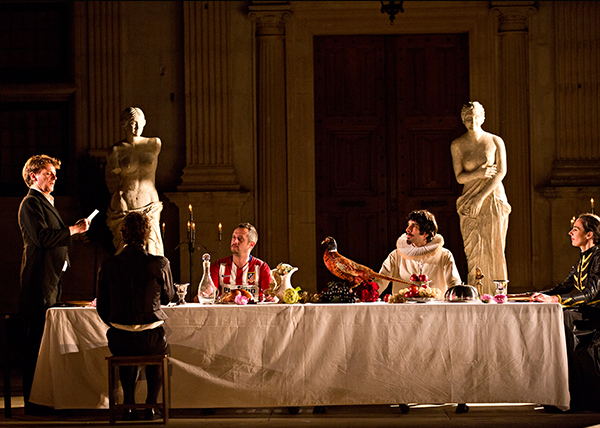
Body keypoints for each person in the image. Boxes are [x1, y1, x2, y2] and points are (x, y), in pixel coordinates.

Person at [18, 154, 90, 414]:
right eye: (48, 173)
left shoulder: (46, 202)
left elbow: (55, 238)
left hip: (50, 281)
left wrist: (76, 232)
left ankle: (43, 399)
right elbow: (42, 237)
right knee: (35, 344)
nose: (54, 177)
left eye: (54, 173)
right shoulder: (30, 203)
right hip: (38, 282)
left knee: (44, 344)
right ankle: (32, 403)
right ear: (33, 176)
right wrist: (72, 230)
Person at [96, 212, 175, 421]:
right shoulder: (160, 263)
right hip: (151, 338)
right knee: (156, 351)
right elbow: (168, 297)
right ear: (147, 235)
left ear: (122, 235)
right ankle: (150, 405)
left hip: (120, 339)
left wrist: (121, 322)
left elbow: (102, 306)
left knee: (125, 347)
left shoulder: (109, 265)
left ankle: (128, 405)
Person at [530, 213, 600, 412]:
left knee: (563, 318)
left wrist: (556, 300)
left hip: (596, 316)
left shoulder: (599, 258)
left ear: (589, 234)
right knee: (556, 318)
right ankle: (561, 394)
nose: (570, 232)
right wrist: (532, 295)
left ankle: (577, 397)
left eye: (576, 229)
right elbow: (561, 287)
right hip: (587, 313)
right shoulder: (582, 260)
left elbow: (590, 293)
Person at [451, 101, 511, 293]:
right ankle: (478, 292)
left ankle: (498, 293)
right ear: (463, 120)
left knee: (495, 247)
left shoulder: (495, 141)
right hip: (469, 200)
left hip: (492, 198)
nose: (473, 121)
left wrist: (481, 198)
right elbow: (460, 177)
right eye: (468, 117)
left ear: (483, 117)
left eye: (476, 116)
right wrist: (479, 174)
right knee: (474, 250)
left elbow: (501, 172)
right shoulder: (458, 145)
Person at [105, 107, 164, 256]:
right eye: (132, 123)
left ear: (144, 123)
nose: (137, 127)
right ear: (124, 124)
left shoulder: (154, 144)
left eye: (139, 123)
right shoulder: (116, 150)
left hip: (149, 203)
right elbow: (111, 180)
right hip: (125, 203)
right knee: (124, 250)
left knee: (152, 249)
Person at [374, 209, 462, 296]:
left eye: (414, 226)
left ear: (426, 233)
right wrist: (369, 294)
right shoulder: (395, 255)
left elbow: (454, 283)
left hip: (435, 308)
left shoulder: (444, 255)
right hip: (403, 308)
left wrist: (458, 297)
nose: (408, 229)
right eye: (409, 225)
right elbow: (381, 280)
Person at [210, 223, 272, 302]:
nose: (235, 241)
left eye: (240, 238)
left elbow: (270, 295)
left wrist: (271, 296)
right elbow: (209, 292)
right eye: (234, 237)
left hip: (254, 313)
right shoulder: (219, 265)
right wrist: (203, 294)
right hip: (224, 312)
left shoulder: (261, 267)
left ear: (251, 244)